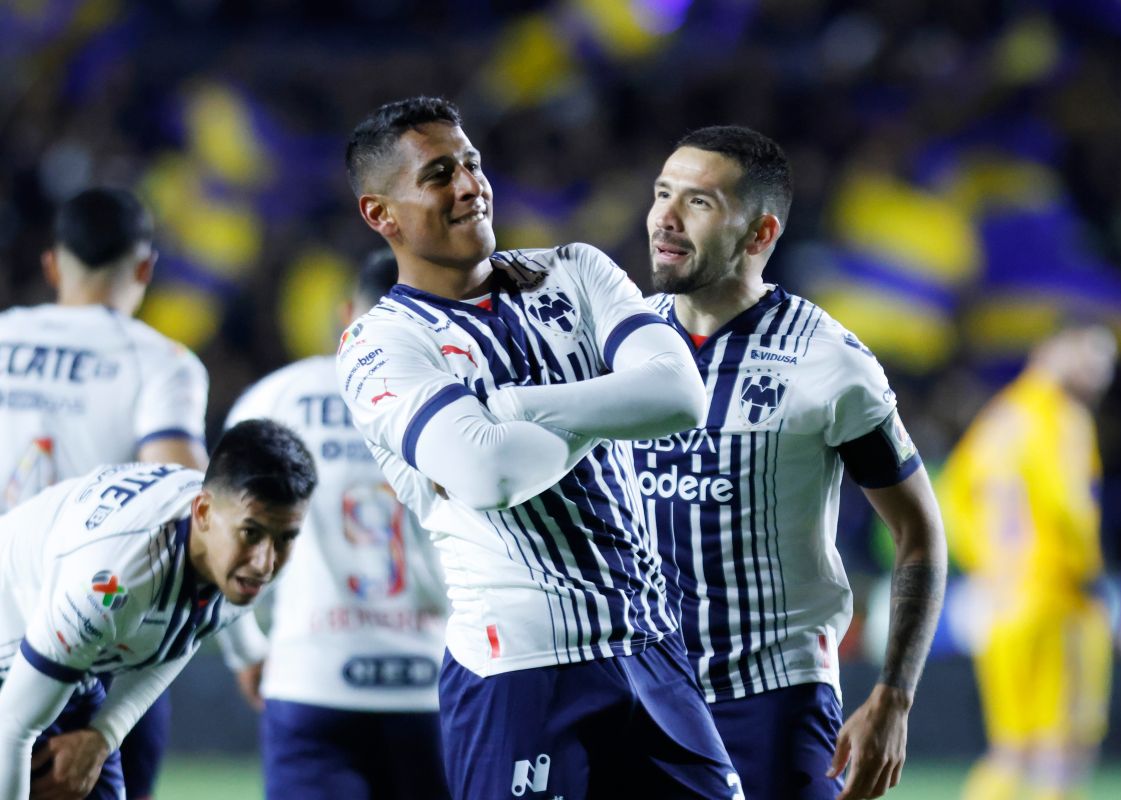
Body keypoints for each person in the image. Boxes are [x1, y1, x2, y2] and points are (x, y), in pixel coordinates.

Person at [338, 96, 743, 799]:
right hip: (523, 671)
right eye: (438, 175)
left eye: (471, 163)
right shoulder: (379, 344)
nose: (469, 186)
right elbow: (488, 472)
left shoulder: (574, 271)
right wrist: (609, 404)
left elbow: (680, 396)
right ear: (382, 215)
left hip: (651, 647)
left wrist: (519, 407)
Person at [632, 125, 947, 800]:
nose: (665, 216)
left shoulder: (828, 362)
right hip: (638, 696)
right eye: (662, 194)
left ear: (759, 234)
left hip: (770, 702)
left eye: (699, 202)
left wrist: (894, 698)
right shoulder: (620, 344)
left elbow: (919, 532)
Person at [0, 186, 210, 800]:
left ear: (52, 264)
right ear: (145, 268)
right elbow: (183, 498)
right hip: (96, 629)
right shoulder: (160, 362)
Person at [217, 249, 450, 799]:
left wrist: (246, 648)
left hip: (310, 675)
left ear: (349, 314)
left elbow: (220, 544)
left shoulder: (274, 399)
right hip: (433, 682)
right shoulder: (459, 403)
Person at [0, 419, 316, 800]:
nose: (265, 562)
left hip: (57, 634)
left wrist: (103, 736)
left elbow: (179, 638)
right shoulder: (114, 580)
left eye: (286, 538)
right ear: (202, 512)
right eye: (251, 533)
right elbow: (13, 726)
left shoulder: (241, 553)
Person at [938, 322, 1117, 800]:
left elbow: (952, 499)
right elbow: (1069, 506)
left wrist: (987, 564)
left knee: (1011, 748)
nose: (1101, 372)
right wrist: (1091, 574)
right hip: (1056, 596)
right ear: (1054, 350)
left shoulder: (1000, 418)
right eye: (1092, 356)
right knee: (1065, 747)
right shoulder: (1062, 418)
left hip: (1000, 600)